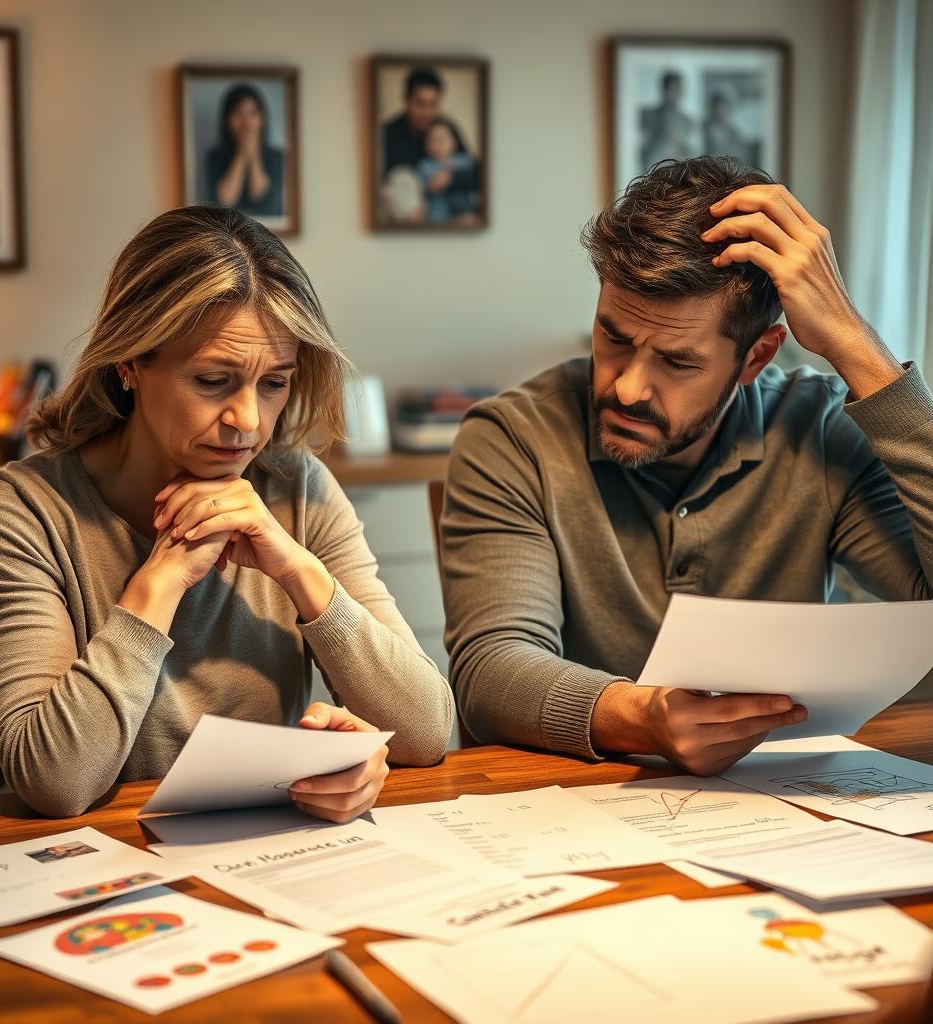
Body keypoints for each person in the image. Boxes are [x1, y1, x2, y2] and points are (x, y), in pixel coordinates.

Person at [441, 156, 933, 777]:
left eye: (677, 363)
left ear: (756, 358)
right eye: (614, 338)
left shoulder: (823, 432)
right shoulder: (511, 438)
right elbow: (491, 670)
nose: (626, 389)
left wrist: (854, 344)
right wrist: (641, 715)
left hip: (786, 801)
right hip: (582, 803)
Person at [0, 205, 454, 819]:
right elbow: (56, 781)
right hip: (47, 860)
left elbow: (425, 731)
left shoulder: (299, 490)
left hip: (233, 846)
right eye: (213, 381)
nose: (247, 421)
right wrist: (162, 579)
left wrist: (300, 573)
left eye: (274, 383)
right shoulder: (26, 508)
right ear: (130, 362)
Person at [380, 66, 478, 219]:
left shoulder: (446, 129)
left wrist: (451, 180)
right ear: (406, 100)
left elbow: (474, 172)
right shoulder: (386, 134)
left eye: (433, 105)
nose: (426, 112)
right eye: (420, 104)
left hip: (450, 210)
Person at [205, 84, 284, 217]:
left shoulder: (277, 157)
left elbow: (260, 195)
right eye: (238, 113)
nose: (246, 122)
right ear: (227, 120)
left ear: (262, 118)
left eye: (252, 113)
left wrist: (253, 155)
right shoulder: (215, 157)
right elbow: (225, 200)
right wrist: (242, 153)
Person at [417, 118, 480, 224]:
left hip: (467, 211)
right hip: (439, 216)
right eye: (432, 140)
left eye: (441, 140)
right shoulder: (425, 166)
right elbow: (423, 189)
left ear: (454, 142)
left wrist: (452, 177)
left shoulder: (465, 160)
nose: (437, 145)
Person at [639, 71, 694, 170]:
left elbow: (690, 153)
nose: (676, 93)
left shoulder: (687, 121)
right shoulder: (648, 115)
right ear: (664, 89)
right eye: (673, 89)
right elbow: (644, 152)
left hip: (679, 172)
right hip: (654, 170)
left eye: (679, 89)